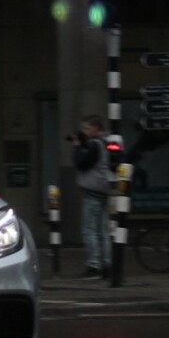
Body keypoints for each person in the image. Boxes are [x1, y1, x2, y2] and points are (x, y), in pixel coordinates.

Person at [70, 114, 112, 278]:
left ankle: (93, 265)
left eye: (87, 128)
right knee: (103, 231)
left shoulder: (95, 144)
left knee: (89, 230)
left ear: (96, 128)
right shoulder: (105, 143)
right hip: (103, 191)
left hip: (92, 192)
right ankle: (108, 264)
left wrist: (77, 146)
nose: (84, 131)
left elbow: (81, 163)